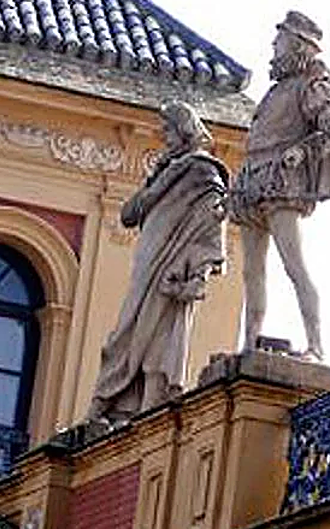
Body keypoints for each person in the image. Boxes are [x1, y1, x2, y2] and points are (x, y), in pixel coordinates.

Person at [88, 101, 228, 422]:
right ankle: (120, 403)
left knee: (160, 336)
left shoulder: (202, 171)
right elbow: (128, 215)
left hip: (172, 263)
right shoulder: (167, 171)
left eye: (168, 129)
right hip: (148, 260)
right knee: (128, 328)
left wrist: (199, 273)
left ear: (183, 129)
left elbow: (212, 222)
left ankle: (146, 407)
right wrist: (156, 180)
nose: (164, 136)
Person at [227, 11, 330, 359]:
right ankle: (249, 344)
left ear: (296, 44)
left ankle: (315, 344)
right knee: (251, 271)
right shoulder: (276, 91)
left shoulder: (312, 82)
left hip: (282, 184)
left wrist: (302, 151)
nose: (273, 45)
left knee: (293, 264)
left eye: (279, 39)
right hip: (254, 180)